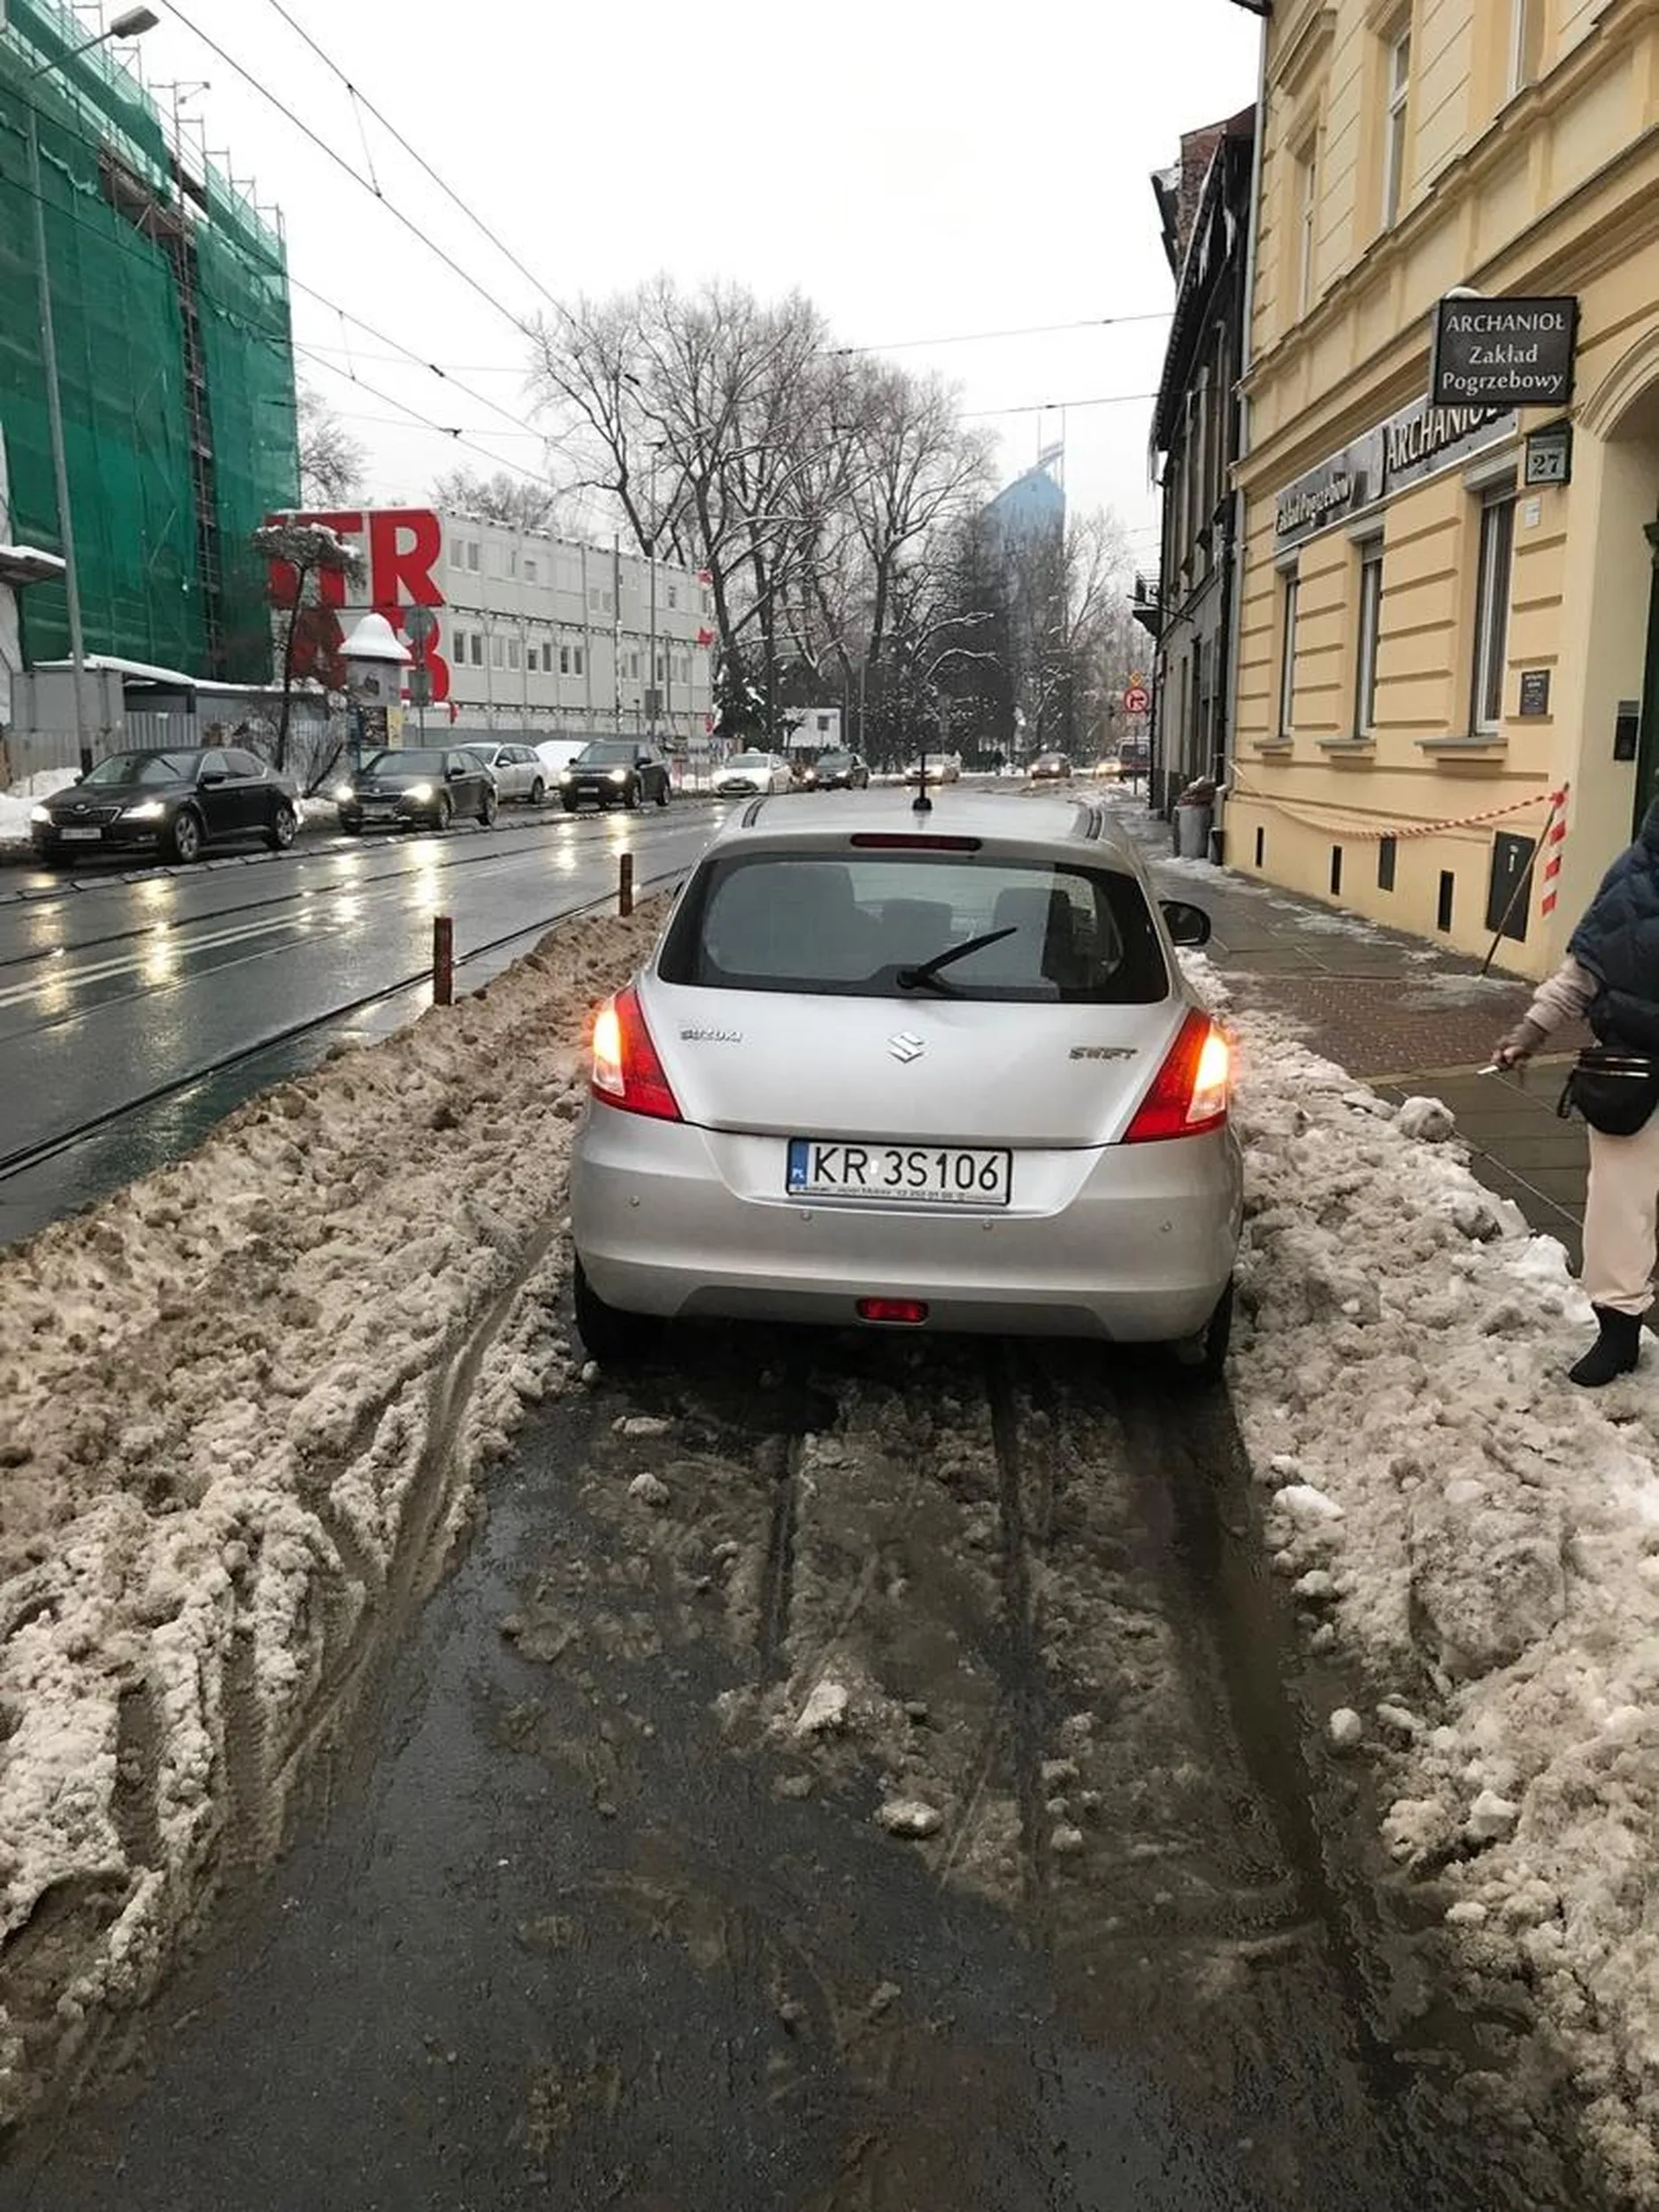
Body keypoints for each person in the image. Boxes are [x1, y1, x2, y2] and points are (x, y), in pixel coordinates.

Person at [1495, 798, 1659, 1386]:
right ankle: (1617, 1334)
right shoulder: (1633, 877)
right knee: (1619, 1209)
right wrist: (1527, 1035)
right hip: (1630, 1073)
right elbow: (1579, 975)